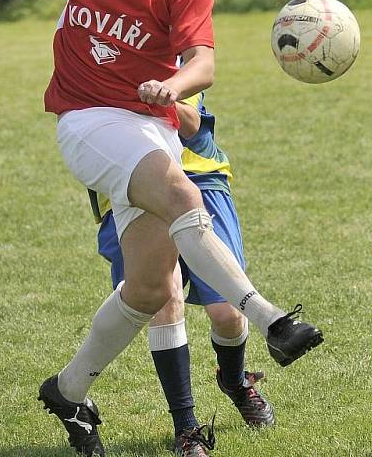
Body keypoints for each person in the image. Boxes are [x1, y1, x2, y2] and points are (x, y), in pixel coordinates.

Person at [0, 0, 322, 455]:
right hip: (87, 121)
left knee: (149, 291)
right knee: (184, 197)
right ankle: (271, 318)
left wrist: (174, 88)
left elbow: (204, 62)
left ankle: (68, 392)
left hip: (154, 130)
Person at [89, 93, 274, 456]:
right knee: (164, 298)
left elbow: (190, 123)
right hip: (131, 183)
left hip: (199, 175)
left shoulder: (172, 51)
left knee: (228, 313)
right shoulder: (94, 54)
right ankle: (187, 429)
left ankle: (235, 381)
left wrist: (157, 98)